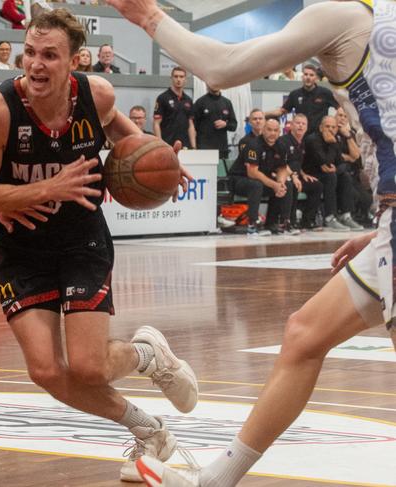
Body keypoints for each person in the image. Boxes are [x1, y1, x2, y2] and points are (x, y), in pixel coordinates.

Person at [104, 0, 396, 485]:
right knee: (304, 335)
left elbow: (221, 66)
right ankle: (216, 480)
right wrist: (382, 227)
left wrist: (149, 16)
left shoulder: (340, 17)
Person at [0, 9, 198, 483]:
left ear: (75, 60)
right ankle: (149, 430)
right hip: (19, 249)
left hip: (81, 238)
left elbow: (117, 131)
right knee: (47, 372)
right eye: (30, 52)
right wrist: (48, 188)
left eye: (50, 55)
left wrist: (159, 164)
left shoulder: (97, 95)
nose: (36, 64)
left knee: (90, 366)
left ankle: (147, 354)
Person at [227, 118, 291, 236]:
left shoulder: (281, 145)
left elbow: (282, 168)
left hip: (260, 180)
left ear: (279, 132)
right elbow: (252, 172)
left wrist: (280, 183)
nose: (272, 133)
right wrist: (274, 185)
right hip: (239, 180)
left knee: (286, 184)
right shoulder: (253, 145)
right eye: (269, 130)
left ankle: (275, 223)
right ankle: (252, 224)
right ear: (263, 130)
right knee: (256, 185)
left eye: (276, 130)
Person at [303, 115, 362, 231]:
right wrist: (333, 144)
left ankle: (346, 215)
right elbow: (326, 162)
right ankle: (329, 217)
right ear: (321, 128)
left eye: (333, 127)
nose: (330, 129)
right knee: (331, 176)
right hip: (311, 174)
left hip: (327, 173)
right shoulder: (313, 140)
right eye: (327, 126)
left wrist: (335, 165)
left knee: (345, 176)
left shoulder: (335, 139)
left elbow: (340, 161)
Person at [277, 113, 323, 231]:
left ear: (307, 127)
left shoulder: (302, 143)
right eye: (297, 123)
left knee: (316, 185)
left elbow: (297, 162)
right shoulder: (283, 141)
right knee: (292, 185)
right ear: (291, 125)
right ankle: (289, 221)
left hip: (297, 175)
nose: (300, 126)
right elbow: (281, 164)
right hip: (284, 176)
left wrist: (303, 174)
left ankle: (308, 220)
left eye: (303, 124)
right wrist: (293, 176)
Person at [266, 64, 339, 135]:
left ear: (316, 78)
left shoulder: (325, 93)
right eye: (306, 74)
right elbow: (282, 111)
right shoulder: (295, 94)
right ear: (302, 77)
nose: (308, 77)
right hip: (301, 136)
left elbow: (340, 108)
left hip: (319, 137)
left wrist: (333, 123)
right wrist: (264, 114)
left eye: (311, 75)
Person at [153, 67, 196, 149]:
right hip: (167, 145)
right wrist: (160, 144)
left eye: (181, 77)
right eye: (176, 76)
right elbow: (156, 123)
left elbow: (191, 125)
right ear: (171, 78)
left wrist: (194, 146)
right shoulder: (162, 98)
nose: (178, 79)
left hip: (185, 146)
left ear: (185, 79)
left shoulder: (188, 100)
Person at [192, 85, 237, 159]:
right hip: (204, 148)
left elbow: (234, 125)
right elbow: (192, 126)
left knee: (221, 170)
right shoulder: (200, 102)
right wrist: (194, 147)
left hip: (222, 149)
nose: (215, 85)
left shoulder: (227, 102)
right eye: (212, 83)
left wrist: (225, 124)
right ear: (207, 85)